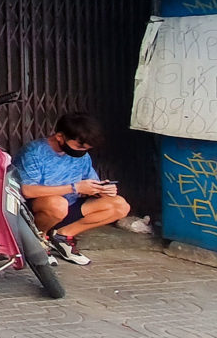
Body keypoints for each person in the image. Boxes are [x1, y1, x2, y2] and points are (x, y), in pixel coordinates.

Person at [13, 112, 130, 265]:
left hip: (69, 208)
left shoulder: (82, 156)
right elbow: (28, 191)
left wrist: (102, 190)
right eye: (79, 146)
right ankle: (38, 239)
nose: (82, 151)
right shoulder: (34, 152)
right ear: (60, 137)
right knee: (57, 204)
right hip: (38, 211)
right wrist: (74, 188)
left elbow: (90, 182)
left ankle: (62, 236)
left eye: (86, 149)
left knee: (120, 205)